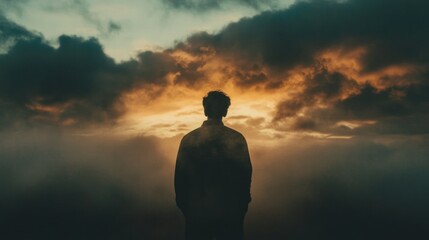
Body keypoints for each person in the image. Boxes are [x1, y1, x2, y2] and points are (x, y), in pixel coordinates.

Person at [175, 90, 252, 240]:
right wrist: (241, 205)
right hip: (230, 213)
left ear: (205, 109)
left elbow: (180, 178)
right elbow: (245, 174)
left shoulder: (189, 139)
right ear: (225, 111)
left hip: (197, 213)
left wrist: (188, 208)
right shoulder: (236, 138)